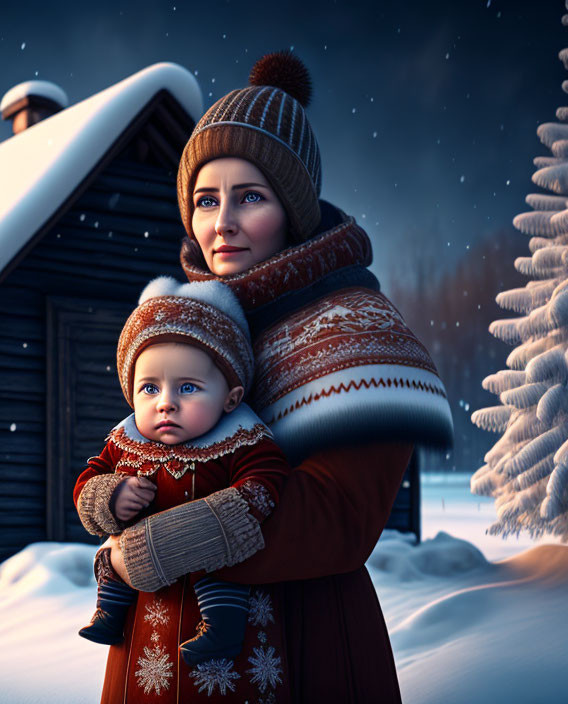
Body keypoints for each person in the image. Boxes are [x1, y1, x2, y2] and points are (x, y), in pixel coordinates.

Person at [88, 51, 454, 703]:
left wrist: (168, 540)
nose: (220, 223)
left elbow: (341, 514)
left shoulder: (353, 326)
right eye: (205, 200)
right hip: (156, 642)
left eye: (249, 197)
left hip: (300, 636)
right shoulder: (183, 317)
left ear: (291, 206)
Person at [75, 276, 290, 668]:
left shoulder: (239, 440)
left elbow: (267, 478)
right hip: (143, 613)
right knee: (109, 560)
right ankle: (108, 614)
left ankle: (222, 630)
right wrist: (111, 494)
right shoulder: (124, 441)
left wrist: (223, 516)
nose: (166, 404)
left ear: (231, 398)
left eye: (188, 388)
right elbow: (87, 483)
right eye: (149, 389)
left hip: (207, 563)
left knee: (224, 570)